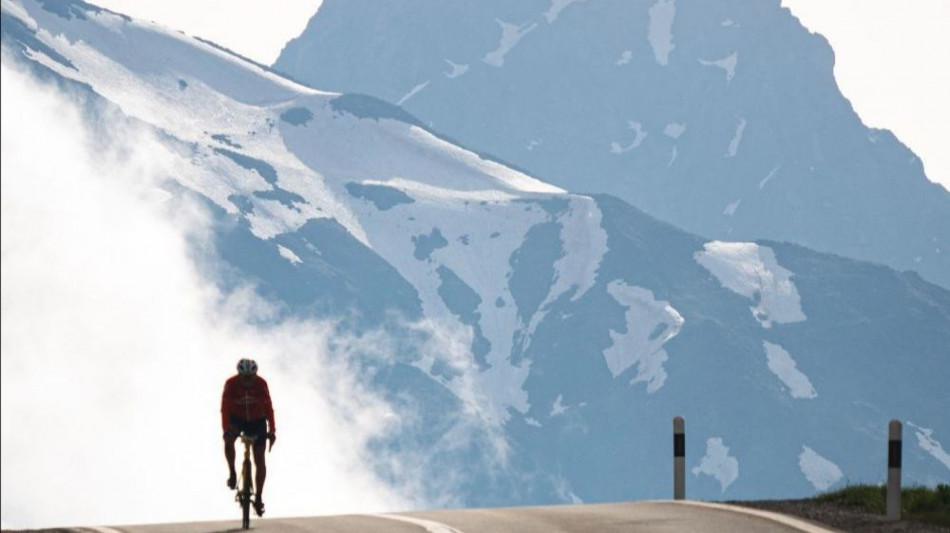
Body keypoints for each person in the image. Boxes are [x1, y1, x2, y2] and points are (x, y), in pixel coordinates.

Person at [222, 358, 276, 517]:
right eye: (244, 377)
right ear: (239, 375)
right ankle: (232, 473)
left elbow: (269, 408)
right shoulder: (230, 384)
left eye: (250, 377)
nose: (247, 381)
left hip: (257, 421)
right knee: (228, 440)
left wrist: (272, 430)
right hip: (237, 420)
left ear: (255, 375)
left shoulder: (261, 384)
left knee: (259, 458)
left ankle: (258, 497)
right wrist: (226, 430)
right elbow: (224, 409)